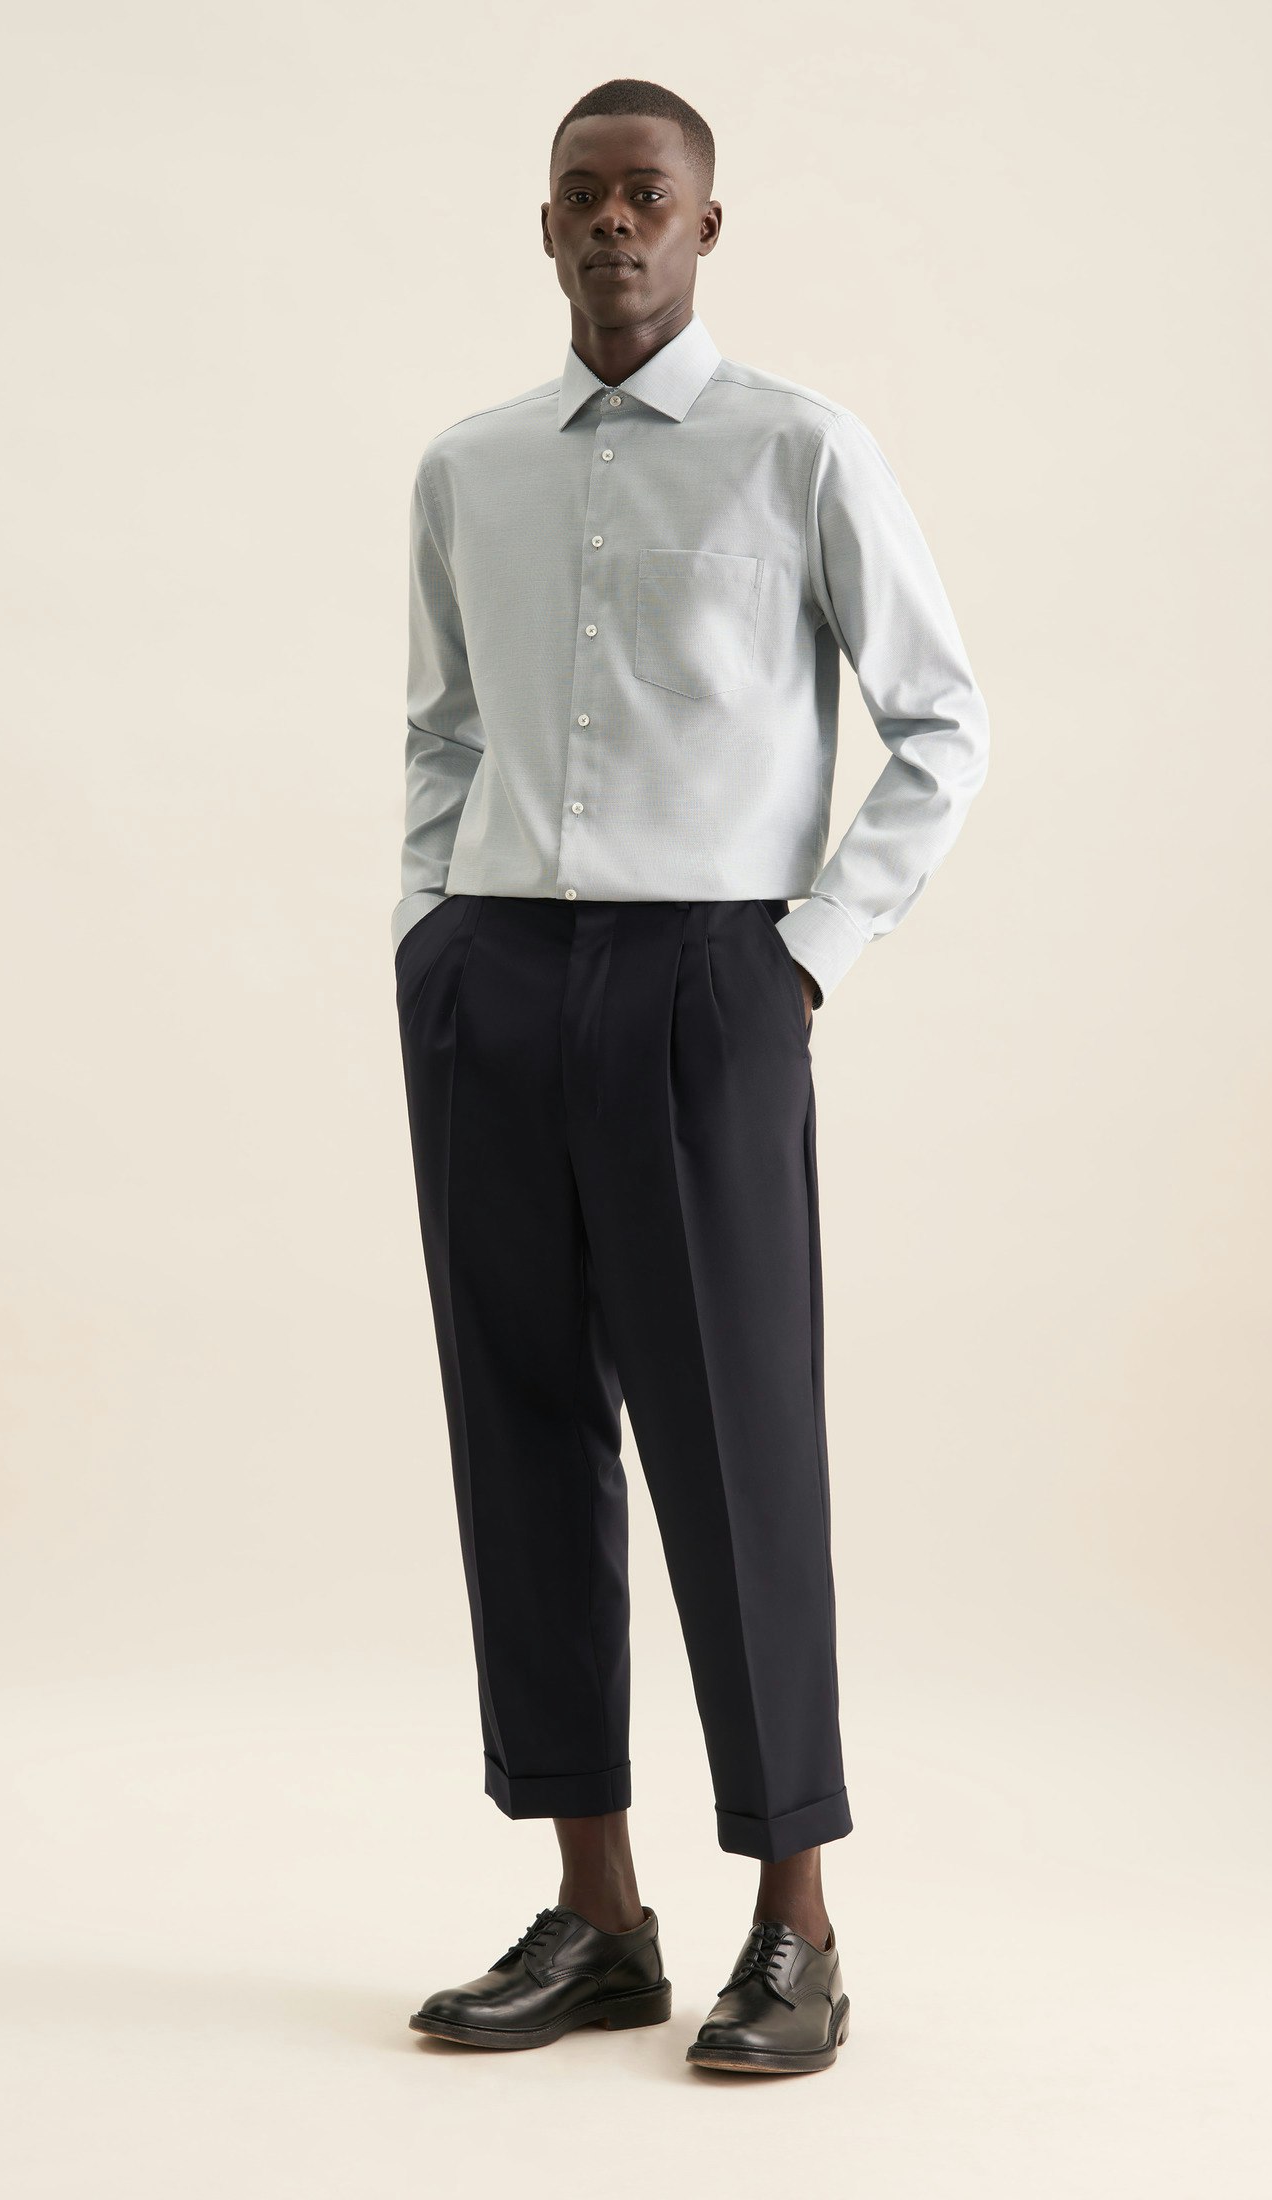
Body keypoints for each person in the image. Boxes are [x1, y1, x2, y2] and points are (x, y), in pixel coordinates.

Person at [391, 76, 989, 2077]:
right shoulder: (470, 467)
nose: (614, 223)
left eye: (647, 194)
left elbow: (941, 722)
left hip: (709, 977)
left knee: (736, 1442)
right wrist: (430, 929)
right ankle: (599, 1910)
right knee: (520, 1429)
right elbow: (442, 729)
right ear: (542, 226)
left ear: (706, 225)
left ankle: (796, 1923)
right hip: (495, 979)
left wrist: (802, 954)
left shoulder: (799, 449)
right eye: (582, 195)